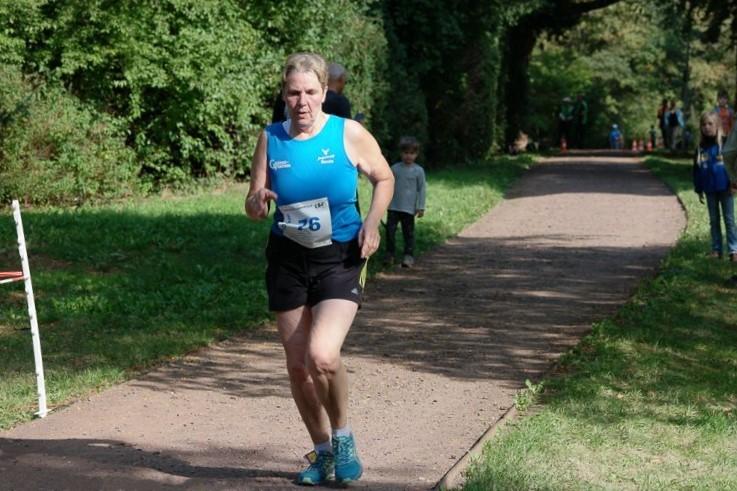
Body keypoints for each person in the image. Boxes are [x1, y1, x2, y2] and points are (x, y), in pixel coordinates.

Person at [245, 52, 394, 486]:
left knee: (322, 356)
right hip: (288, 259)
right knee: (297, 367)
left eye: (310, 92)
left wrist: (372, 222)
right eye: (294, 93)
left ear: (325, 92)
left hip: (340, 257)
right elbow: (253, 203)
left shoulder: (348, 133)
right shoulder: (271, 138)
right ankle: (322, 451)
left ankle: (343, 438)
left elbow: (384, 178)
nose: (302, 101)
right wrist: (257, 202)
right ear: (284, 95)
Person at [692, 111, 737, 261]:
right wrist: (698, 189)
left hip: (726, 187)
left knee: (729, 220)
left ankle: (734, 250)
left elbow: (733, 164)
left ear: (717, 125)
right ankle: (716, 250)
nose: (706, 127)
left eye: (710, 124)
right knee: (714, 220)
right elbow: (697, 169)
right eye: (703, 124)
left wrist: (734, 183)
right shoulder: (700, 148)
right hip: (709, 189)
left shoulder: (726, 143)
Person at [383, 136, 426, 268]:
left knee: (408, 234)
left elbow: (422, 189)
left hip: (409, 209)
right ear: (401, 153)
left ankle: (408, 256)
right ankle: (390, 255)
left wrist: (421, 207)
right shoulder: (394, 169)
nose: (408, 156)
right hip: (393, 207)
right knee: (390, 232)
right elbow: (386, 185)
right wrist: (383, 202)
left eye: (412, 153)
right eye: (406, 152)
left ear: (416, 154)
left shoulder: (419, 171)